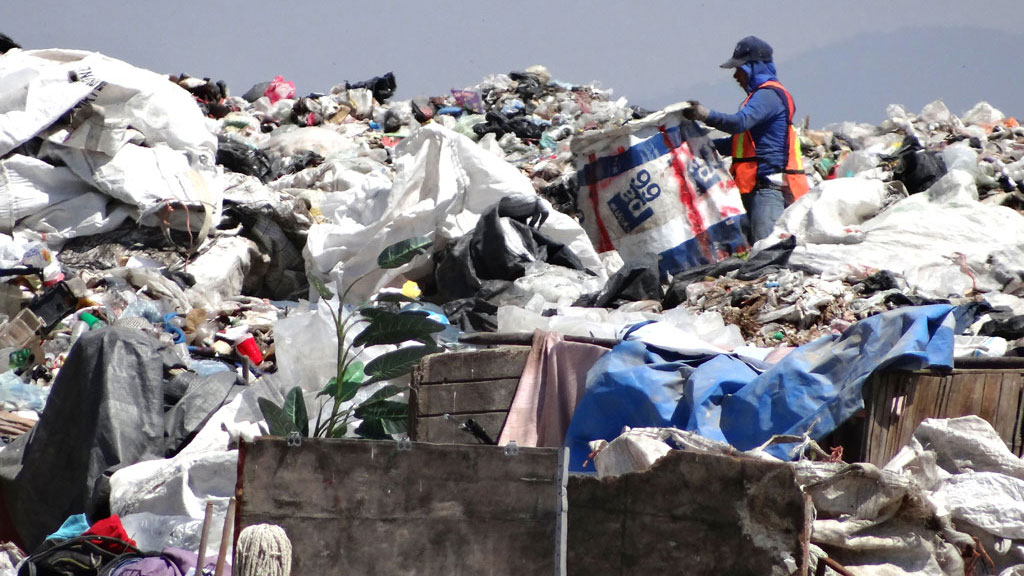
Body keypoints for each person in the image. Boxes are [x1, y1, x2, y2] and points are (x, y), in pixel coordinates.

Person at [683, 36, 809, 243]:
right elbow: (739, 144)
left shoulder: (768, 96)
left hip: (768, 188)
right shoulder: (759, 98)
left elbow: (739, 123)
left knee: (767, 252)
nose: (735, 75)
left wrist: (704, 114)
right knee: (753, 251)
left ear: (753, 68)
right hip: (754, 188)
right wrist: (699, 145)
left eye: (739, 68)